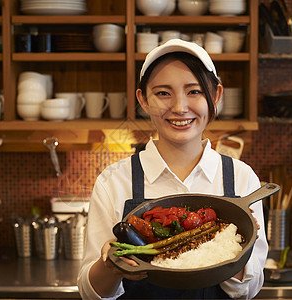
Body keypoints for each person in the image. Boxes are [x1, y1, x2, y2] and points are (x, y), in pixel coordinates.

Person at [77, 38, 268, 299]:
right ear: (143, 100)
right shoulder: (113, 181)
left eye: (195, 91)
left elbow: (249, 289)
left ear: (216, 96)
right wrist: (111, 267)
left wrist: (237, 244)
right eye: (163, 93)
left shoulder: (241, 177)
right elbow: (92, 294)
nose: (179, 107)